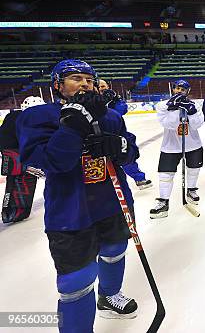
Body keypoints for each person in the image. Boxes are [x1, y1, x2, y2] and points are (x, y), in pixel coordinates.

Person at [17, 59, 140, 332]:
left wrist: (119, 147)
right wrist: (72, 126)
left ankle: (108, 296)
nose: (84, 83)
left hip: (112, 203)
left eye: (89, 78)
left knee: (115, 252)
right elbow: (49, 162)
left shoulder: (110, 117)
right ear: (57, 85)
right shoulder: (39, 117)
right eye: (75, 78)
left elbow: (131, 150)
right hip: (72, 211)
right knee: (76, 282)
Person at [150, 79, 204, 219]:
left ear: (188, 91)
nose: (179, 91)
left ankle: (191, 190)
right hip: (170, 146)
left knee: (193, 169)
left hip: (193, 145)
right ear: (173, 89)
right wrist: (173, 109)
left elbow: (197, 125)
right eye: (177, 88)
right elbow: (168, 125)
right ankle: (163, 202)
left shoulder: (195, 105)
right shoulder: (163, 105)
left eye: (183, 89)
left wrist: (191, 112)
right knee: (165, 174)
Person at [99, 79, 152, 190]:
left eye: (103, 86)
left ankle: (139, 178)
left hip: (116, 133)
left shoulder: (113, 98)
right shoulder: (91, 100)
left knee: (126, 156)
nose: (101, 88)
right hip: (98, 134)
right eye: (99, 86)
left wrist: (115, 100)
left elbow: (122, 110)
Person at [0, 96, 45, 223]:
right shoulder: (20, 118)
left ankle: (12, 213)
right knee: (19, 181)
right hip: (16, 153)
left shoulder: (15, 117)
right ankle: (13, 212)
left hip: (13, 153)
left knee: (14, 181)